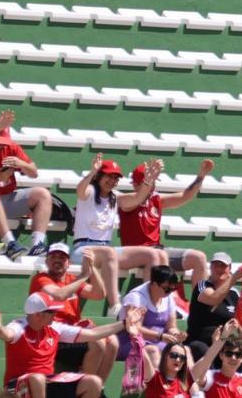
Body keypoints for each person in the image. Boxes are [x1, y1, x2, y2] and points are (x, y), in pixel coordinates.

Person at [0, 294, 139, 398]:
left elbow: (92, 334)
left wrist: (124, 323)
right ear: (38, 315)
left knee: (94, 382)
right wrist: (0, 329)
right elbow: (8, 334)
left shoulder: (55, 327)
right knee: (38, 377)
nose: (54, 316)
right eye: (51, 313)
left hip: (45, 385)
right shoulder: (19, 326)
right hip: (17, 389)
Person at [72, 154, 165, 316]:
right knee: (109, 253)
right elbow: (79, 190)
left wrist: (148, 179)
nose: (112, 181)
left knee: (153, 254)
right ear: (99, 176)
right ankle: (114, 306)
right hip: (83, 249)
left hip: (106, 250)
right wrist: (91, 172)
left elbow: (138, 197)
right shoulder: (89, 192)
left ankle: (150, 303)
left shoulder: (115, 197)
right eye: (109, 176)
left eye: (116, 178)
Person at [28, 245, 118, 398]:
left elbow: (99, 294)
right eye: (53, 257)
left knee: (113, 342)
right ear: (47, 260)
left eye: (62, 257)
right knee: (97, 343)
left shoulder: (71, 279)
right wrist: (84, 276)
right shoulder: (41, 279)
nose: (57, 260)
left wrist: (92, 268)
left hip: (73, 331)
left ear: (68, 262)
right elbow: (59, 294)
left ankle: (98, 391)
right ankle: (83, 392)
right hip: (52, 332)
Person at [185, 253, 242, 398]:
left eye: (223, 265)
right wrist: (235, 277)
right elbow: (213, 298)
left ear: (229, 269)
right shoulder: (203, 285)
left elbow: (240, 321)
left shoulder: (234, 293)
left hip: (226, 340)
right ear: (211, 267)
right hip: (201, 339)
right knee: (201, 348)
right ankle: (209, 393)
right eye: (216, 264)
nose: (219, 268)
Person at [118, 159, 211, 295]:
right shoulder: (125, 200)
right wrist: (147, 182)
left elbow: (185, 196)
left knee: (199, 258)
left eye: (154, 181)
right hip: (134, 253)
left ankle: (201, 302)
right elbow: (138, 198)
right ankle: (151, 303)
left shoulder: (156, 200)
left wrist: (201, 176)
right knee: (156, 255)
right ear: (136, 184)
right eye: (150, 181)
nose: (153, 185)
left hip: (157, 250)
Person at [0, 110, 53, 259]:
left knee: (43, 194)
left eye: (2, 143)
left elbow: (34, 173)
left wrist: (21, 164)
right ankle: (8, 243)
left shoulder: (11, 148)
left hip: (6, 200)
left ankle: (37, 244)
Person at [118, 265, 186, 378]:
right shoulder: (136, 297)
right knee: (153, 351)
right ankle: (159, 389)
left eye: (172, 288)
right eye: (166, 288)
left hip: (159, 340)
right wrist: (160, 336)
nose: (169, 291)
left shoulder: (168, 297)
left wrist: (176, 334)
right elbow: (134, 329)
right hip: (131, 342)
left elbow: (171, 326)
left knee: (184, 351)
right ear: (154, 284)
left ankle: (186, 391)